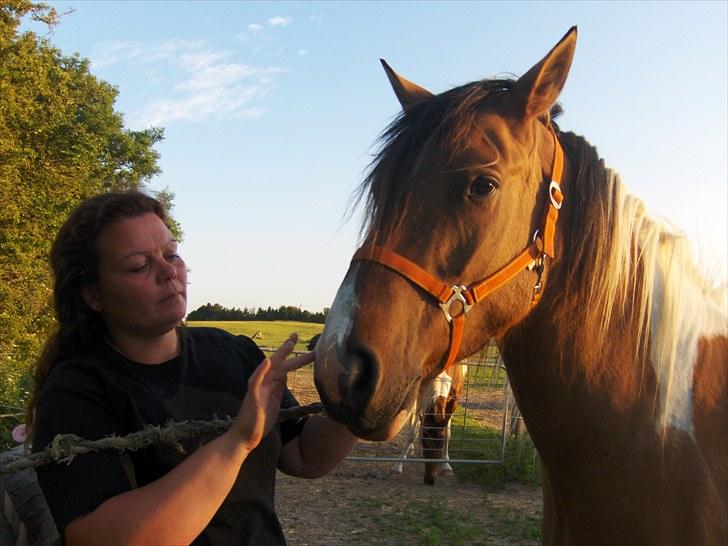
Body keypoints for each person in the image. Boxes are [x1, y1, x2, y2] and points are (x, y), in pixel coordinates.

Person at [26, 190, 357, 546]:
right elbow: (101, 536)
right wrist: (237, 442)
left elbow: (305, 457)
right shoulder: (75, 391)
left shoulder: (232, 352)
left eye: (171, 254)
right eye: (140, 265)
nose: (169, 271)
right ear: (92, 294)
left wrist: (356, 396)